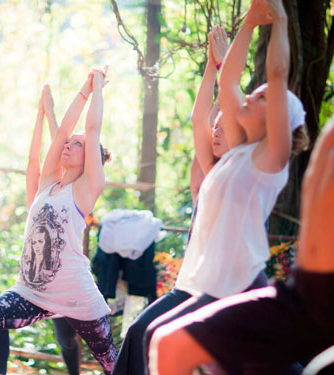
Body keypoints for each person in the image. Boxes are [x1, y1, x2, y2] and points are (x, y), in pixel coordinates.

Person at [149, 0, 334, 374]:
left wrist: (281, 19)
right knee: (170, 345)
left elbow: (277, 73)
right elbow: (229, 83)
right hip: (307, 288)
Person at [0, 67, 118, 375]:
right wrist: (81, 90)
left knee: (113, 362)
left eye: (78, 145)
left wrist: (97, 88)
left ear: (91, 157)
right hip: (31, 293)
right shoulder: (48, 183)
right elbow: (62, 132)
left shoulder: (86, 189)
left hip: (77, 295)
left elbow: (92, 129)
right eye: (69, 143)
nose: (67, 145)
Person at [112, 25, 235, 375]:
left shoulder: (247, 173)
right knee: (139, 333)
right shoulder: (208, 176)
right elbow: (200, 119)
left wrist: (227, 66)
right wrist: (212, 66)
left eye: (223, 128)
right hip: (191, 287)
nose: (215, 132)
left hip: (226, 293)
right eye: (216, 128)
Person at [0, 84, 83, 375]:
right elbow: (36, 161)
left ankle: (74, 373)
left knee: (66, 339)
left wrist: (50, 112)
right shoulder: (41, 192)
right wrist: (41, 115)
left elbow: (58, 150)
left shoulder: (68, 191)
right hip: (35, 282)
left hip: (64, 280)